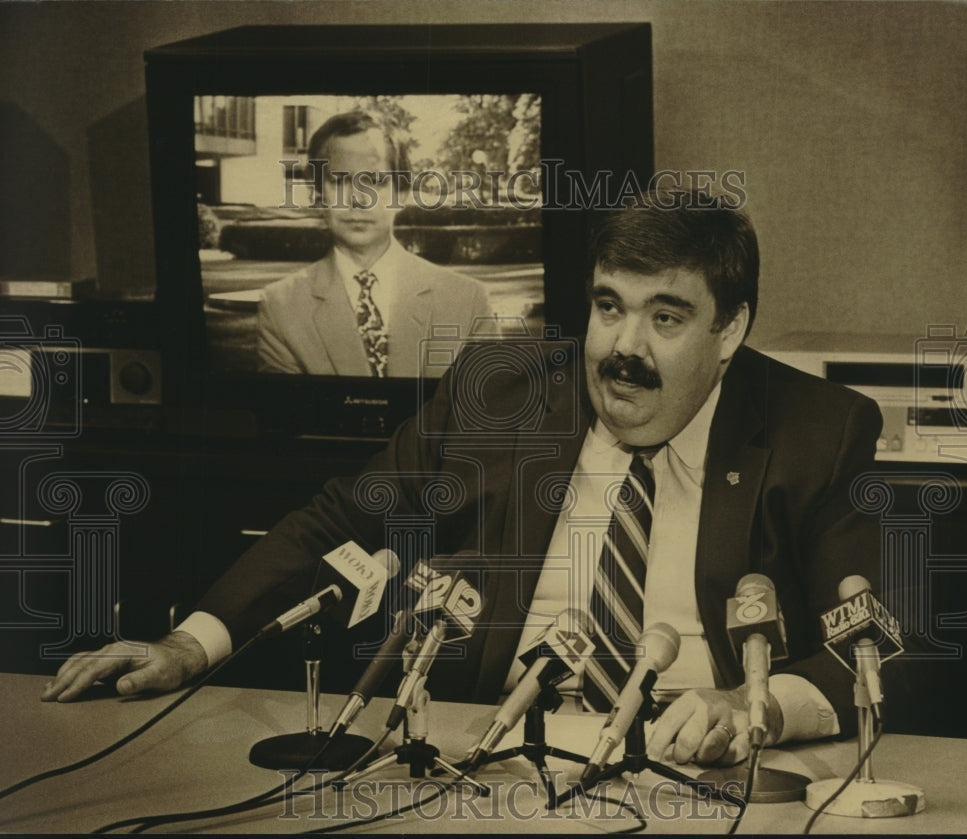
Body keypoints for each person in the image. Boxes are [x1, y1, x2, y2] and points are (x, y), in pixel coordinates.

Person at [42, 191, 884, 769]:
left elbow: (873, 650)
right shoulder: (499, 394)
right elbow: (341, 519)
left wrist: (750, 707)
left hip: (693, 778)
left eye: (666, 316)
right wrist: (189, 643)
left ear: (730, 328)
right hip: (483, 762)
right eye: (608, 305)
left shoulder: (818, 430)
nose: (623, 347)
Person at [257, 110, 493, 377]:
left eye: (375, 181)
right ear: (316, 193)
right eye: (340, 181)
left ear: (402, 193)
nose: (359, 198)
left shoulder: (468, 301)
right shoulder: (281, 307)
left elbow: (484, 414)